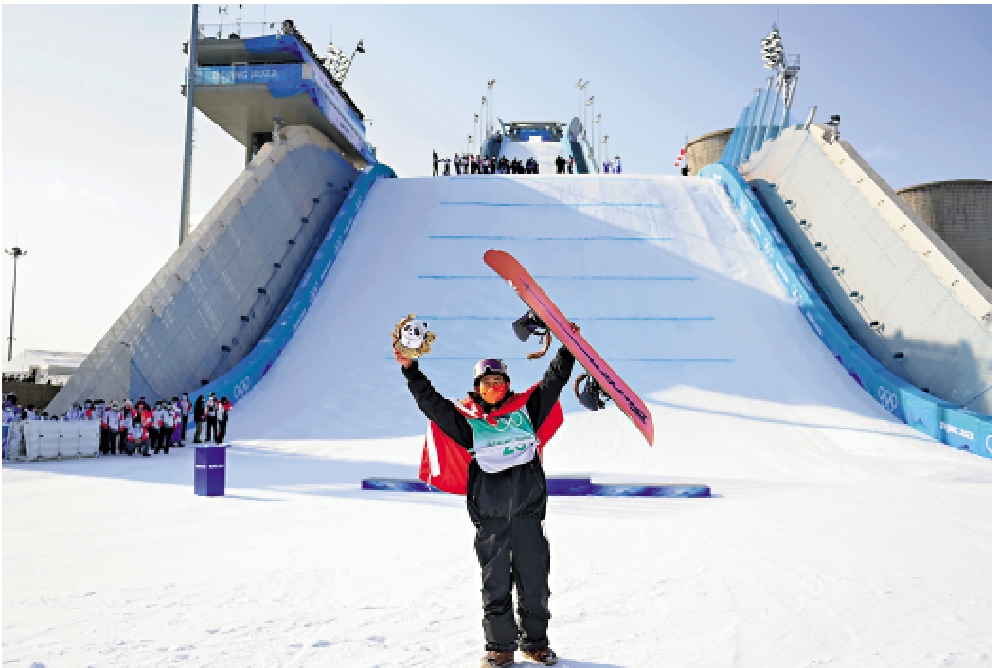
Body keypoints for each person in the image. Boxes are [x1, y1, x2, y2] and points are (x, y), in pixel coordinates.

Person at [394, 328, 580, 668]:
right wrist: (411, 370)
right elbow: (432, 404)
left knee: (534, 584)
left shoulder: (528, 413)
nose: (493, 388)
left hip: (527, 516)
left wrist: (568, 348)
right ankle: (500, 648)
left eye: (499, 382)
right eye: (486, 383)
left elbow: (552, 382)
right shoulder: (468, 424)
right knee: (495, 587)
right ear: (477, 387)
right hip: (491, 519)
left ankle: (536, 644)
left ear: (507, 385)